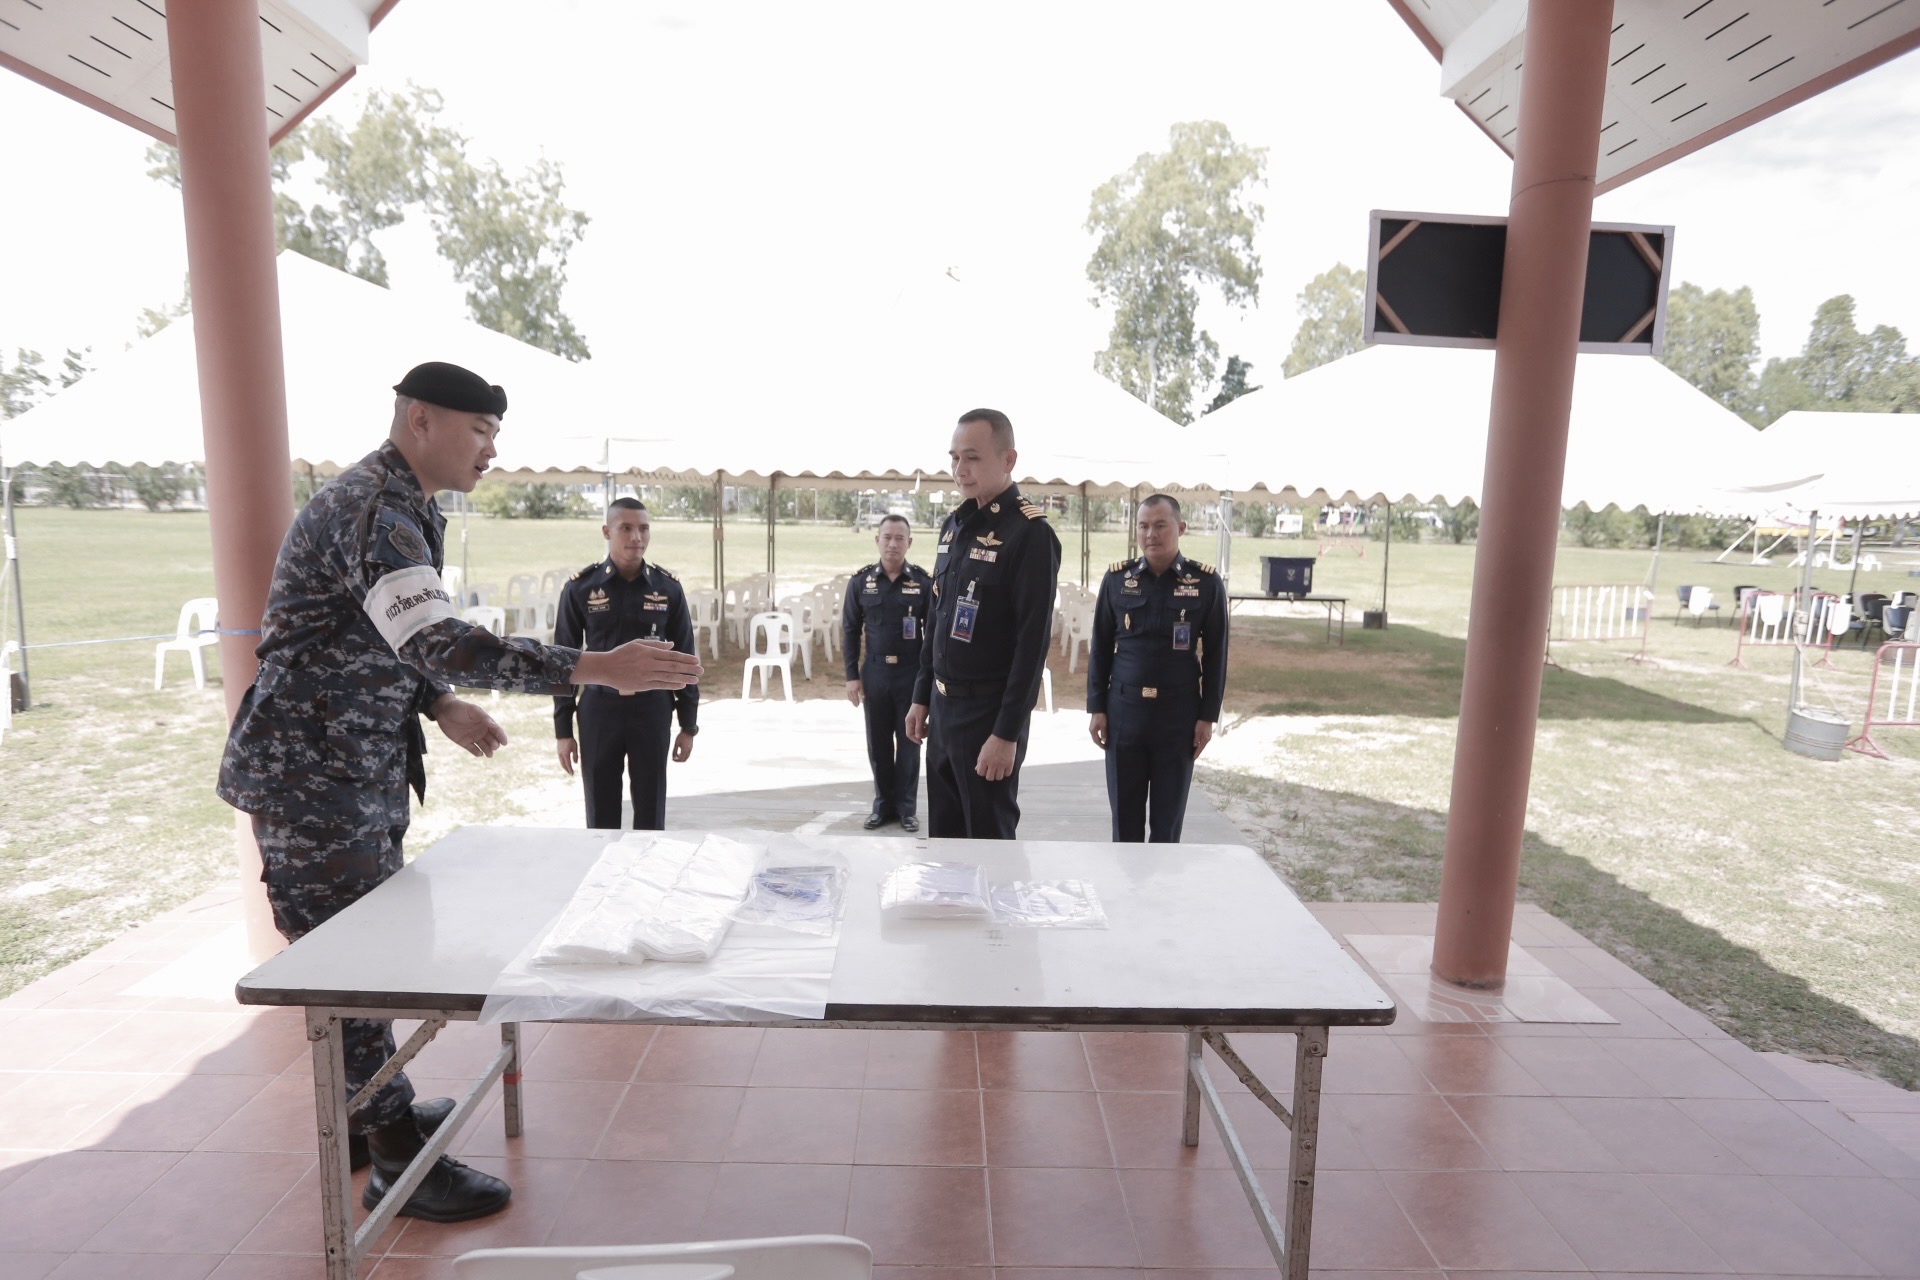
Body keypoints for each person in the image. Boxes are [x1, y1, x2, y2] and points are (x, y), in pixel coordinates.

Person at [216, 362, 701, 1224]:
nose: (491, 450)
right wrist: (598, 668)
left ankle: (371, 1114)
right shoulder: (377, 509)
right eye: (479, 430)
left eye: (494, 434)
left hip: (348, 770)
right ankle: (395, 1159)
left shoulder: (407, 506)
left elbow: (383, 638)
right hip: (314, 779)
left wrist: (437, 704)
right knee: (351, 970)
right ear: (421, 420)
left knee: (360, 955)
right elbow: (437, 638)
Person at [905, 409, 1060, 839]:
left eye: (972, 457)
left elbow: (1031, 647)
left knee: (990, 846)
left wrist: (1006, 734)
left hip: (988, 716)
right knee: (946, 845)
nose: (960, 469)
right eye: (954, 457)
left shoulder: (1029, 534)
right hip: (943, 711)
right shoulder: (954, 526)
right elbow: (937, 619)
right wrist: (921, 695)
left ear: (1008, 460)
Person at [1086, 494, 1228, 842]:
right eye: (1144, 526)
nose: (1151, 534)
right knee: (1125, 825)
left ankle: (1163, 880)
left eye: (1160, 525)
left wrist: (1207, 717)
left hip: (1178, 717)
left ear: (1180, 528)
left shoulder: (1205, 583)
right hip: (1125, 713)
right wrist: (1097, 707)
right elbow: (1100, 646)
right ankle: (1126, 880)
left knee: (1167, 826)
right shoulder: (1117, 579)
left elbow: (1216, 655)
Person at [553, 498, 699, 829]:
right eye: (626, 528)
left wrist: (688, 725)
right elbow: (563, 663)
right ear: (607, 532)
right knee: (600, 814)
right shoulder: (581, 588)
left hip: (652, 709)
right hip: (599, 710)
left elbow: (686, 660)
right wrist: (563, 730)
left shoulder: (667, 588)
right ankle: (602, 864)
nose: (636, 537)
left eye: (644, 528)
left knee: (651, 811)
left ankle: (647, 863)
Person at [842, 514, 933, 831]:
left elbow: (931, 635)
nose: (893, 544)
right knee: (878, 744)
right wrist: (851, 675)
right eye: (887, 537)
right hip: (875, 674)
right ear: (877, 540)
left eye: (899, 538)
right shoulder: (860, 582)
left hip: (911, 675)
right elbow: (850, 630)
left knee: (910, 743)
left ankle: (907, 808)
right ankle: (882, 806)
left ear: (909, 542)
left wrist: (928, 681)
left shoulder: (922, 583)